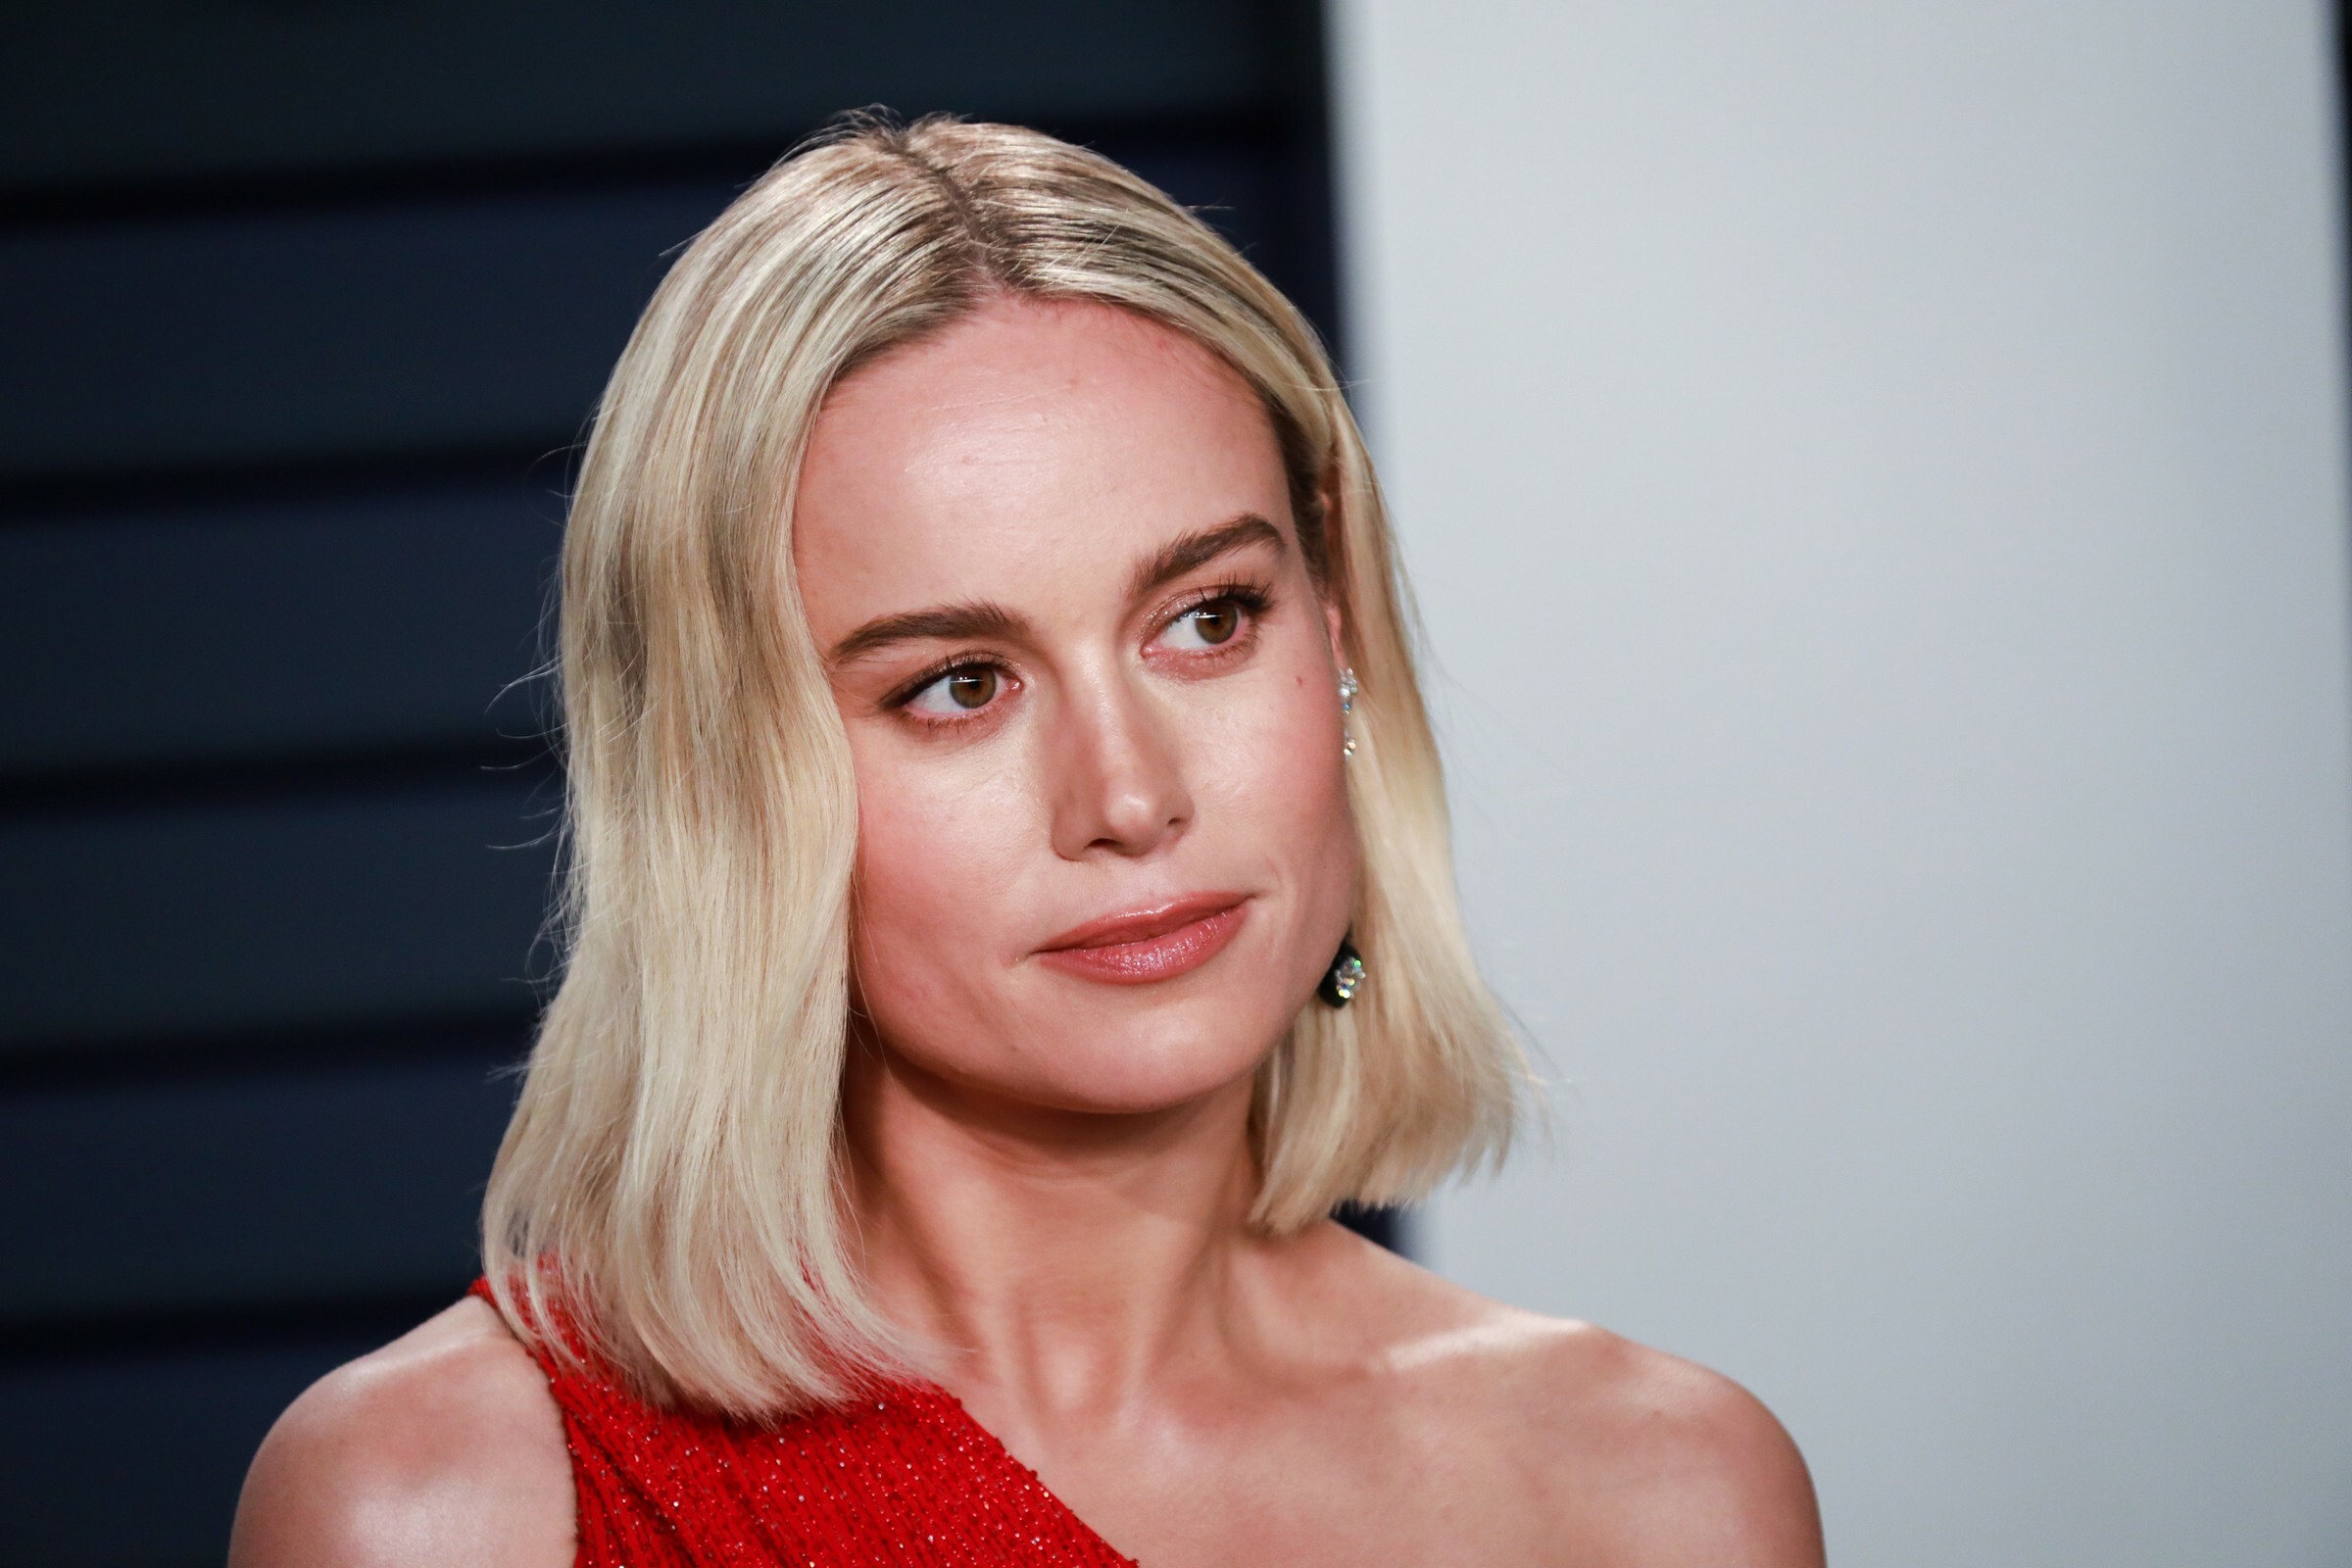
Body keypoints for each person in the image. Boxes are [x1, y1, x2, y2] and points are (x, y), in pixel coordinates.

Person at [227, 115, 1824, 1567]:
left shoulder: (1656, 1496)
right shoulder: (453, 1507)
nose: (1129, 797)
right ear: (727, 782)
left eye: (1209, 618)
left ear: (1336, 619)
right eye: (960, 685)